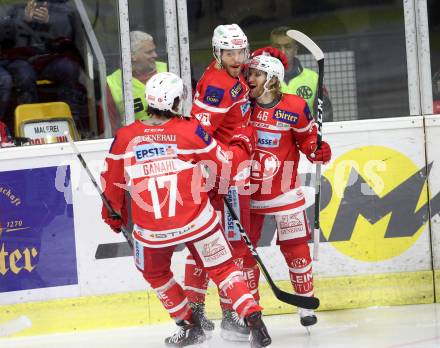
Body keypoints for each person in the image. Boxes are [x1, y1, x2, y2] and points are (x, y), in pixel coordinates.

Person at [100, 71, 271, 348]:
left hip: (151, 231)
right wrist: (242, 141)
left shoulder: (125, 137)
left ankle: (189, 324)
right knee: (224, 268)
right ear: (177, 101)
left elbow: (111, 183)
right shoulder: (190, 130)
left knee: (154, 273)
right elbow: (224, 164)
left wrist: (112, 215)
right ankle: (254, 319)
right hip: (197, 221)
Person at [246, 54, 331, 330]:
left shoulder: (294, 106)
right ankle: (249, 312)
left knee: (296, 249)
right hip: (247, 193)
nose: (250, 80)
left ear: (271, 79)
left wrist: (315, 149)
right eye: (250, 74)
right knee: (243, 254)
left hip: (283, 192)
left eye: (257, 75)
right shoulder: (242, 105)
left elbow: (306, 138)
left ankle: (305, 303)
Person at [184, 23, 255, 341]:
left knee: (215, 246)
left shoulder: (234, 74)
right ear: (218, 52)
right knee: (228, 247)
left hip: (229, 172)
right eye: (230, 52)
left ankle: (203, 312)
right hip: (218, 176)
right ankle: (224, 314)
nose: (237, 57)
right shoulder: (216, 86)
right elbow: (198, 137)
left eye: (240, 51)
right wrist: (216, 172)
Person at [2, 0, 86, 131]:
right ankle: (30, 124)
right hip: (21, 59)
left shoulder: (62, 9)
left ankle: (71, 122)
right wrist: (22, 20)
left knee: (69, 68)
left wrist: (50, 20)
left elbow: (70, 37)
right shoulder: (15, 9)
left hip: (49, 58)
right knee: (24, 75)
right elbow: (5, 39)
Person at [105, 31, 167, 135]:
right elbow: (112, 127)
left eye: (154, 50)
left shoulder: (169, 70)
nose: (155, 55)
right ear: (132, 56)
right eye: (149, 52)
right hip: (136, 144)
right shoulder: (113, 82)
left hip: (172, 139)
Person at [269, 26, 333, 122]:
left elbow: (325, 119)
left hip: (306, 136)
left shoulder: (313, 78)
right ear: (271, 50)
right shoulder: (260, 78)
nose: (282, 52)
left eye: (288, 47)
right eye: (277, 47)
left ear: (295, 50)